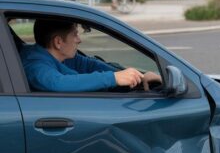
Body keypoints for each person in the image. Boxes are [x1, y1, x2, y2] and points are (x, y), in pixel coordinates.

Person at [18, 19, 162, 92]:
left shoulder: (55, 56)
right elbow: (59, 83)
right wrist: (113, 79)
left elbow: (90, 64)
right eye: (75, 35)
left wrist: (138, 76)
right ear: (58, 42)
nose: (79, 40)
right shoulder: (35, 66)